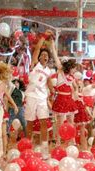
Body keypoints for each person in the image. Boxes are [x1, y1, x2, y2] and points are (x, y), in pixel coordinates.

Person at [24, 30, 55, 159]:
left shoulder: (49, 70)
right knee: (30, 123)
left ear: (48, 58)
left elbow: (49, 84)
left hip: (42, 98)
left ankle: (44, 150)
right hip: (31, 96)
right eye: (42, 54)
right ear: (39, 57)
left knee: (44, 122)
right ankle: (27, 148)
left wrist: (53, 92)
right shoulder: (35, 64)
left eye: (46, 55)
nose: (44, 56)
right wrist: (44, 36)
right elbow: (36, 49)